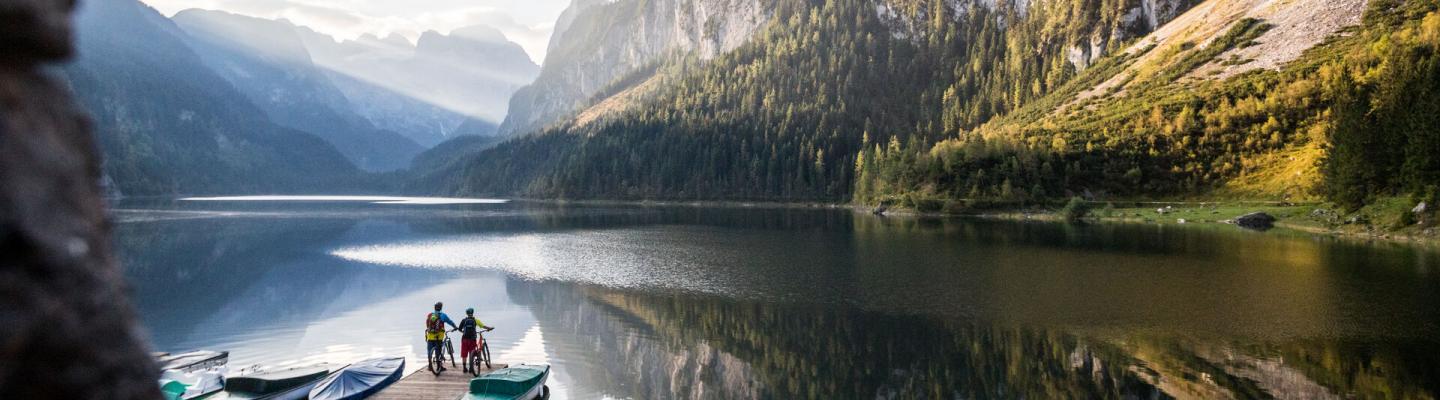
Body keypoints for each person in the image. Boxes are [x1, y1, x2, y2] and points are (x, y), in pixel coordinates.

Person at [425, 302, 459, 371]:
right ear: (441, 308)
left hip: (430, 336)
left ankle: (429, 366)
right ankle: (439, 366)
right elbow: (450, 322)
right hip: (439, 336)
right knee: (438, 351)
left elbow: (427, 325)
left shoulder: (430, 315)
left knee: (429, 351)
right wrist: (455, 327)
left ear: (434, 308)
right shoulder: (443, 315)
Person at [457, 308, 494, 373]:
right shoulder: (475, 320)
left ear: (467, 313)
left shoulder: (463, 320)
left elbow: (459, 329)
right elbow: (483, 326)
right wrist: (489, 328)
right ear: (473, 313)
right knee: (472, 352)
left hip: (464, 339)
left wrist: (463, 332)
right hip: (472, 339)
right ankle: (471, 368)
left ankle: (464, 368)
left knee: (464, 353)